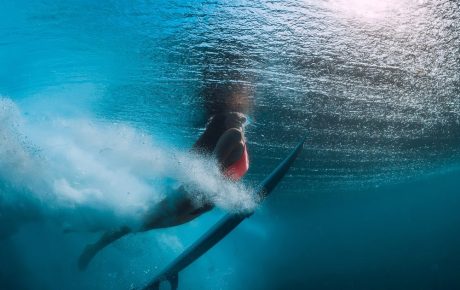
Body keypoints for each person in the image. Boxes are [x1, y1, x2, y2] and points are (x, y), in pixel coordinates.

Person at [78, 111, 249, 270]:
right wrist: (238, 202)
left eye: (241, 117)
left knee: (140, 225)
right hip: (191, 197)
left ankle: (94, 230)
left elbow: (220, 175)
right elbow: (212, 171)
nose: (239, 117)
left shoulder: (239, 140)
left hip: (200, 202)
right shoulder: (233, 134)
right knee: (137, 223)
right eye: (234, 115)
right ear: (225, 120)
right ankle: (93, 243)